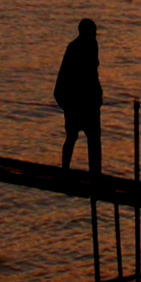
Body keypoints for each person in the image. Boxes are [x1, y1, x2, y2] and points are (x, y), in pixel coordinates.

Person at [55, 18, 102, 174]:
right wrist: (67, 105)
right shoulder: (74, 48)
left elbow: (93, 74)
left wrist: (98, 95)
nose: (94, 36)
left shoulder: (93, 46)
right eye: (93, 33)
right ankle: (65, 169)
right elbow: (64, 79)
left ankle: (95, 172)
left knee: (94, 140)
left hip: (90, 103)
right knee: (72, 137)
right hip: (76, 102)